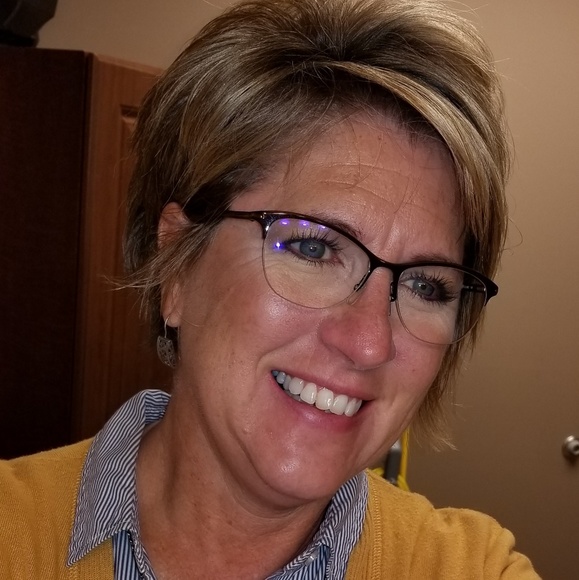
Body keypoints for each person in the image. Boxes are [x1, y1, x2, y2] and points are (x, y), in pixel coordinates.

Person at [1, 0, 540, 578]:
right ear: (177, 265)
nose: (369, 343)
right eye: (313, 249)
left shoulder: (470, 567)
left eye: (427, 286)